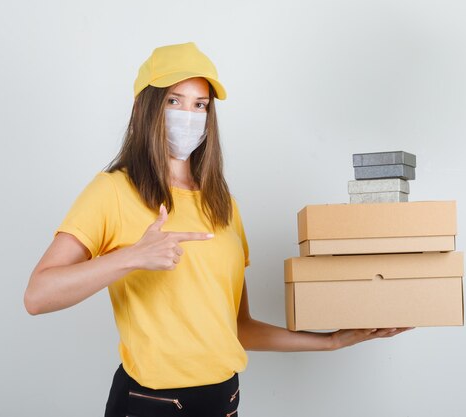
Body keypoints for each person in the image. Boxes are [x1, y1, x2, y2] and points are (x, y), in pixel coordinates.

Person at [24, 42, 411, 417]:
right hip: (151, 404)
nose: (188, 115)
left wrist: (333, 341)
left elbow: (238, 329)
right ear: (145, 106)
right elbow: (38, 296)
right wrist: (132, 257)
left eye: (200, 105)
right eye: (174, 100)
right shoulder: (112, 191)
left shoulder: (222, 204)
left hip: (223, 400)